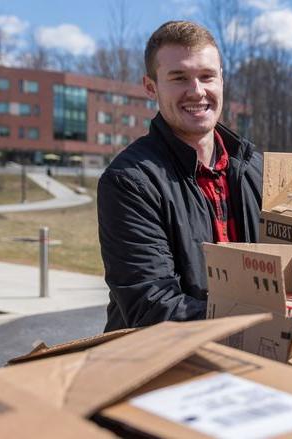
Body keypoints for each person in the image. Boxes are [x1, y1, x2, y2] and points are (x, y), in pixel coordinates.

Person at [98, 21, 263, 331]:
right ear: (151, 87)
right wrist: (258, 324)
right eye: (179, 78)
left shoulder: (258, 170)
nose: (197, 91)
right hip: (163, 365)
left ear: (221, 81)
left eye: (206, 76)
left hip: (255, 358)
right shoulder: (129, 181)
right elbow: (150, 304)